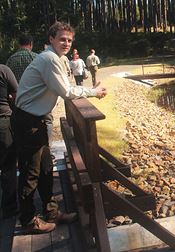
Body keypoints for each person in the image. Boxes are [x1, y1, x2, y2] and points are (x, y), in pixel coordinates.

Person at [12, 21, 107, 234]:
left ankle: (51, 212)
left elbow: (67, 86)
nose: (66, 43)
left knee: (46, 168)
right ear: (51, 39)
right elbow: (66, 91)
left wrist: (90, 90)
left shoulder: (58, 58)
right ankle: (28, 220)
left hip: (35, 120)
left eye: (69, 40)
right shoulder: (49, 59)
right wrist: (94, 92)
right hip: (28, 122)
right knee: (30, 172)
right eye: (62, 39)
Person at [0, 65, 18, 220]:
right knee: (8, 166)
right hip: (3, 121)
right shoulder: (3, 70)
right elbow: (16, 94)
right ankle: (9, 208)